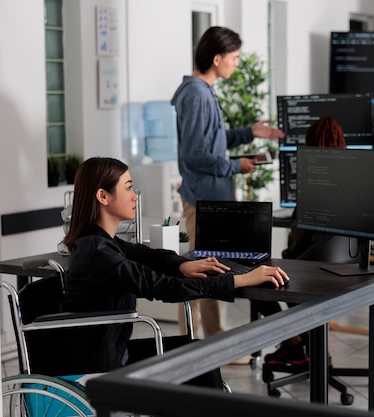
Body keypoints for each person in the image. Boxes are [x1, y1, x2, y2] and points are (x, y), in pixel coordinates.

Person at [61, 157, 289, 387]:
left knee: (199, 351)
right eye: (128, 188)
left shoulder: (102, 243)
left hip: (112, 350)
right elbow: (166, 287)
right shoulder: (98, 252)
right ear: (103, 196)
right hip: (103, 361)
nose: (134, 196)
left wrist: (182, 265)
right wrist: (240, 279)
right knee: (200, 356)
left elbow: (147, 255)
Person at [170, 26, 285, 342]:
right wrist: (237, 165)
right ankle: (190, 346)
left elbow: (212, 142)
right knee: (195, 273)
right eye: (233, 58)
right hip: (202, 199)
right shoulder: (194, 93)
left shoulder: (203, 90)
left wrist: (249, 133)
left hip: (213, 201)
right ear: (217, 58)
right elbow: (195, 155)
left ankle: (212, 340)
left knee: (212, 270)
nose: (236, 63)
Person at [257, 117, 347, 366]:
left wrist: (285, 261)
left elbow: (295, 248)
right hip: (345, 272)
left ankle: (294, 344)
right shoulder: (354, 181)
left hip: (309, 273)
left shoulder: (314, 183)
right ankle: (309, 347)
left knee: (255, 278)